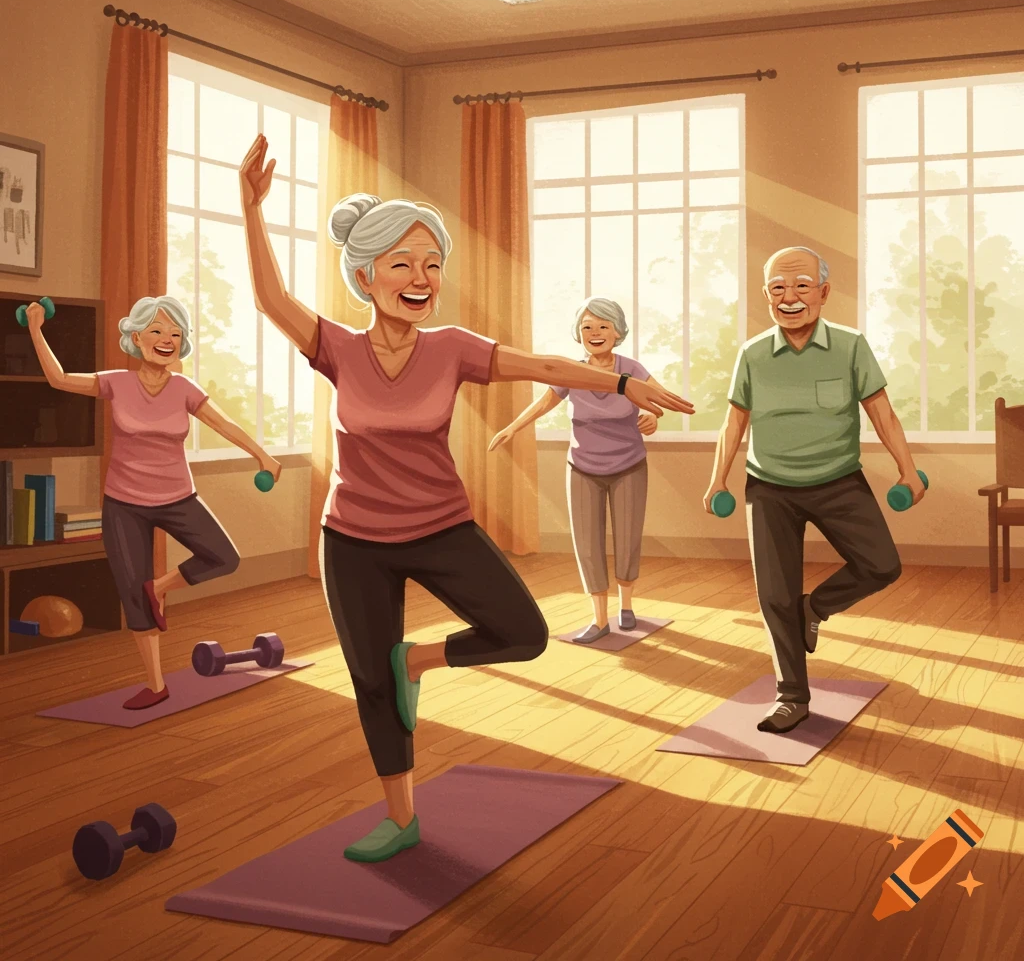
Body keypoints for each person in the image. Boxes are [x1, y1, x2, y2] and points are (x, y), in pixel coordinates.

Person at [238, 133, 692, 863]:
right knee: (369, 683)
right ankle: (401, 817)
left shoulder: (450, 347)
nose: (422, 278)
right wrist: (251, 208)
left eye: (433, 264)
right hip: (352, 539)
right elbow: (271, 298)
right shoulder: (336, 349)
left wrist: (620, 382)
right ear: (365, 276)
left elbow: (542, 366)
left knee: (523, 632)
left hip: (440, 528)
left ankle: (418, 661)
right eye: (403, 264)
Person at [703, 246, 924, 734]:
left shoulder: (851, 346)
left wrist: (908, 470)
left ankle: (815, 608)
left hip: (838, 479)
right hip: (769, 488)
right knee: (774, 596)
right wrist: (718, 479)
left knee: (881, 565)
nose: (790, 297)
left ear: (823, 292)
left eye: (802, 286)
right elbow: (734, 421)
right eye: (778, 288)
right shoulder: (752, 354)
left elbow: (881, 412)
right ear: (766, 296)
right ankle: (791, 698)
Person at [26, 295, 281, 709]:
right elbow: (59, 379)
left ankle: (158, 587)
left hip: (177, 497)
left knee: (223, 557)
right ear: (136, 337)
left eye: (175, 334)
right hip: (124, 503)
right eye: (157, 331)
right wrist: (36, 330)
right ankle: (156, 684)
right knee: (133, 595)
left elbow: (224, 424)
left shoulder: (184, 389)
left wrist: (262, 455)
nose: (167, 340)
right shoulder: (116, 382)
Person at [490, 297, 670, 643]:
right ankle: (599, 619)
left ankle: (626, 606)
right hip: (583, 467)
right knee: (587, 545)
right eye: (587, 327)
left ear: (617, 332)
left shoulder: (631, 369)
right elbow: (544, 402)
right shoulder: (572, 372)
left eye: (603, 326)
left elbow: (660, 398)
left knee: (627, 539)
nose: (595, 333)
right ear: (578, 332)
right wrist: (513, 427)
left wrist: (653, 415)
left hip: (629, 466)